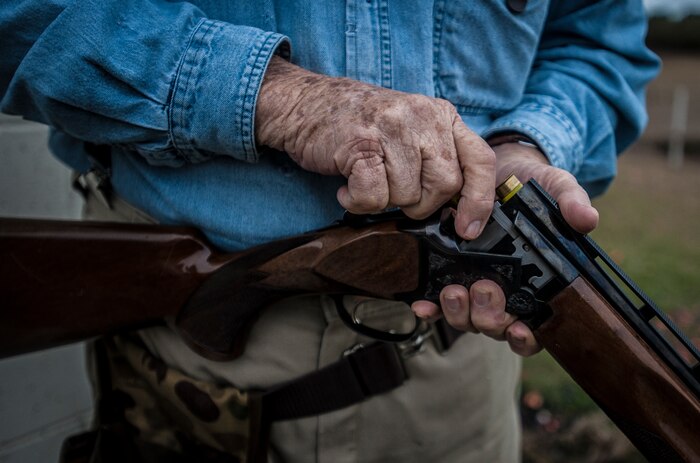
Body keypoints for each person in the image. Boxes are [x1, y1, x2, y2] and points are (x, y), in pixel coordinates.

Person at [0, 1, 659, 462]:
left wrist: (522, 147)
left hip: (456, 387)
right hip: (187, 376)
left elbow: (600, 41)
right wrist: (279, 98)